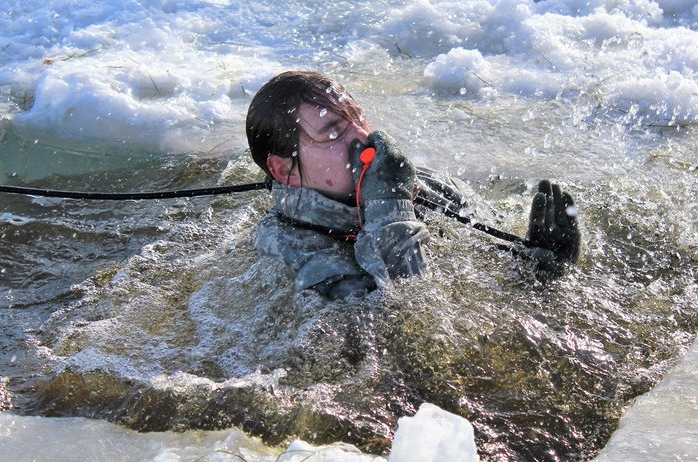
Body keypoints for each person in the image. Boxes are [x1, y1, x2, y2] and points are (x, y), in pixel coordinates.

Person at [245, 70, 580, 299]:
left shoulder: (427, 185)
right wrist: (390, 208)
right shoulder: (287, 248)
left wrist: (544, 271)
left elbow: (491, 291)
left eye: (358, 118)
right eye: (333, 133)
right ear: (284, 170)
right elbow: (406, 329)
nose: (362, 137)